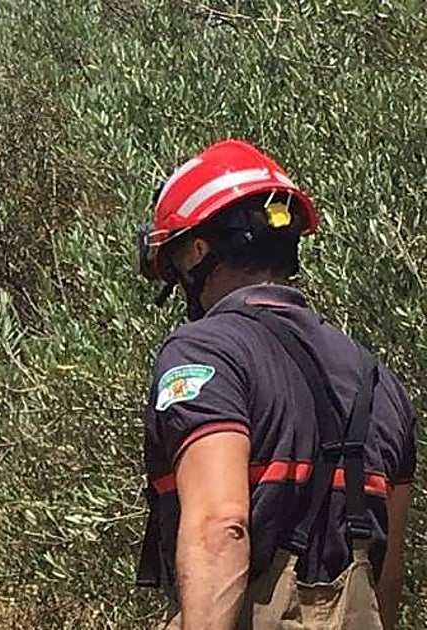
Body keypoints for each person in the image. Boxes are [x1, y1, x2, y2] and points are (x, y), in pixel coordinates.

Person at [134, 140, 416, 629]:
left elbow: (219, 526)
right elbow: (387, 580)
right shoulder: (379, 381)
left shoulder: (205, 353)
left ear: (199, 251)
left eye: (176, 260)